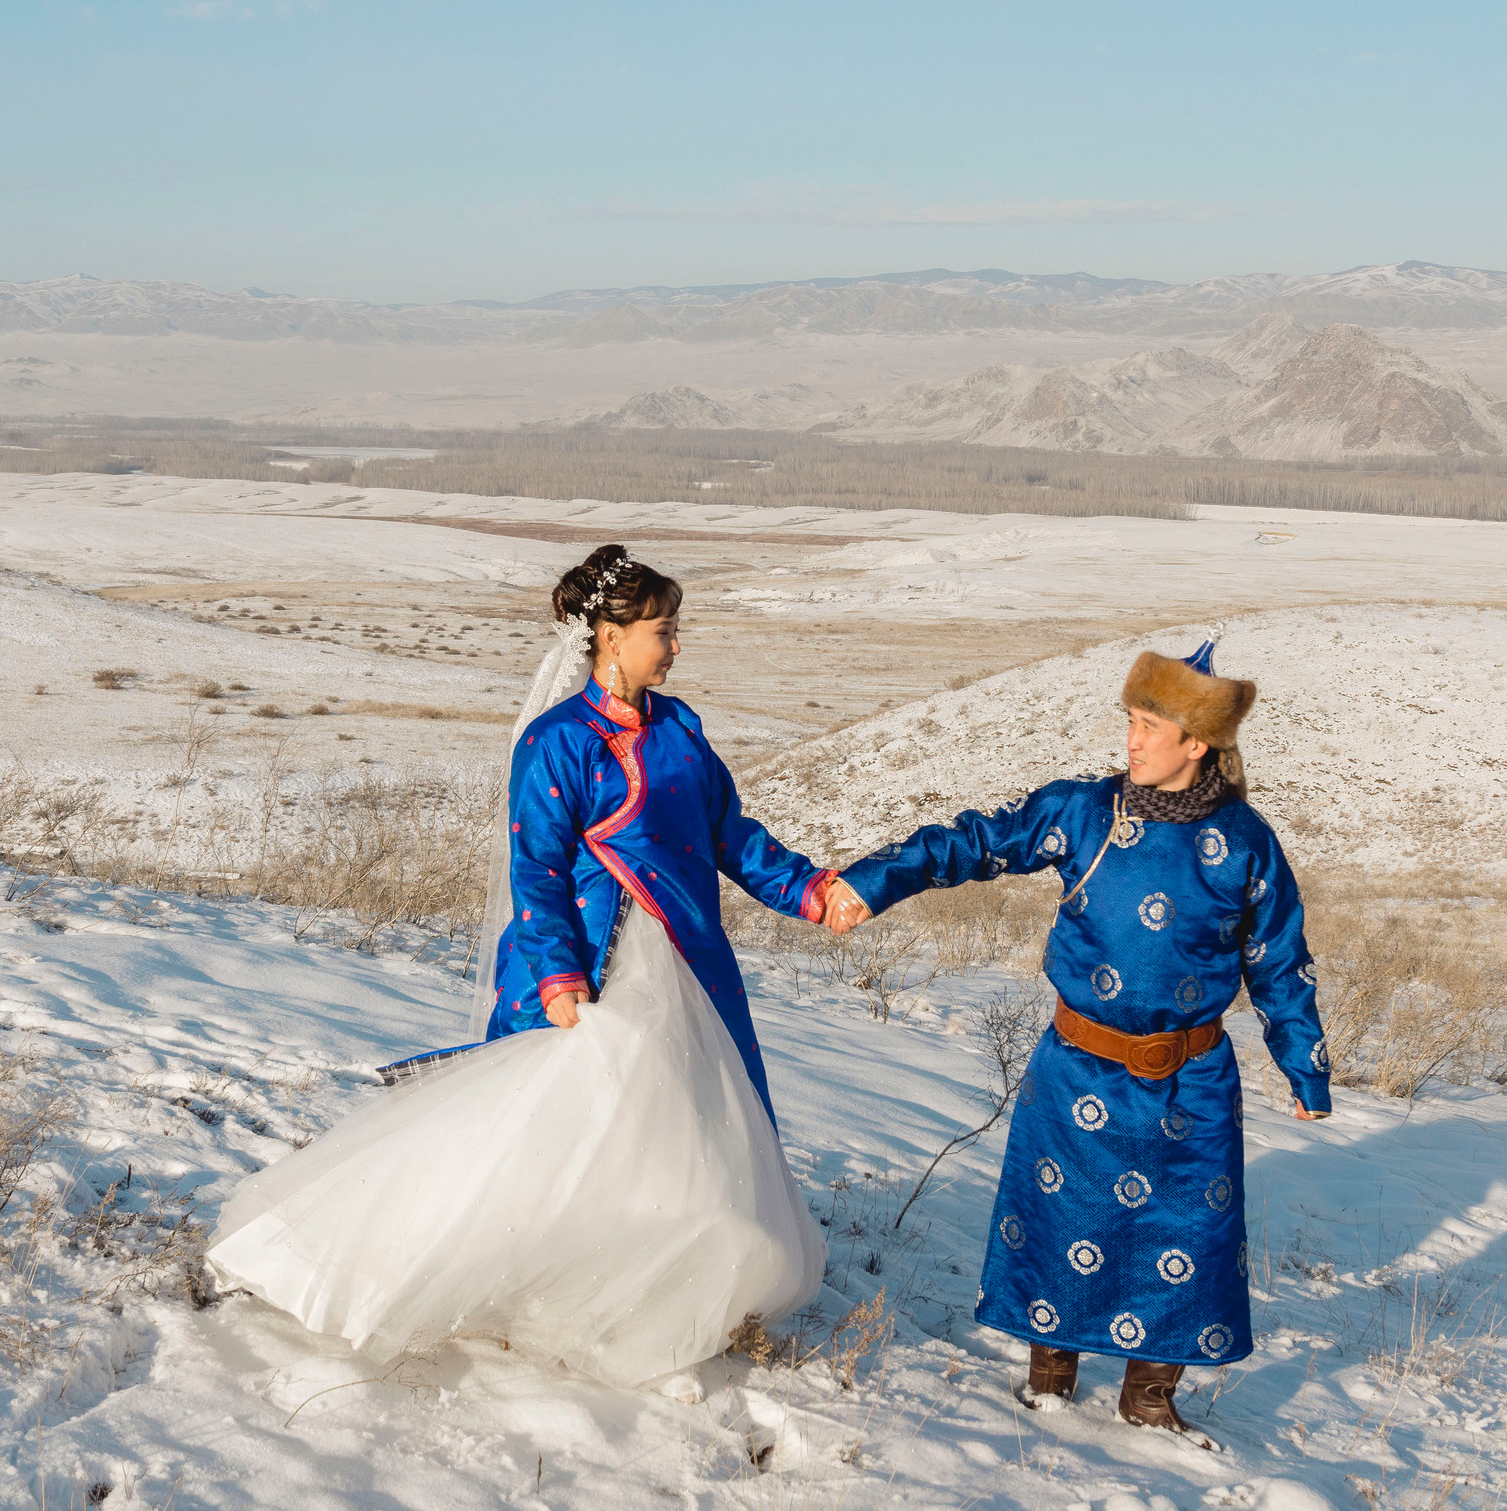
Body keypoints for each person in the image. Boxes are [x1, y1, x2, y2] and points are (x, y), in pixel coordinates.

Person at [208, 544, 837, 1389]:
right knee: (582, 1133)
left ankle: (665, 1286)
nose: (676, 648)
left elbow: (733, 836)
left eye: (675, 631)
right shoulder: (557, 743)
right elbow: (534, 869)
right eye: (663, 631)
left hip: (686, 966)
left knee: (679, 1134)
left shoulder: (681, 727)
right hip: (600, 970)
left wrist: (810, 891)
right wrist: (558, 976)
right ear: (610, 638)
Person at [820, 637, 1329, 1439]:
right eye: (1129, 719)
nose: (1130, 739)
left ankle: (1151, 1397)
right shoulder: (1084, 812)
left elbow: (1279, 957)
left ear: (1197, 744)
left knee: (1186, 1236)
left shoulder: (1246, 842)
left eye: (1148, 725)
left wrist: (1304, 1065)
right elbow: (973, 842)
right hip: (1079, 1070)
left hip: (1191, 1082)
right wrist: (869, 881)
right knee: (1064, 1221)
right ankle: (1049, 1381)